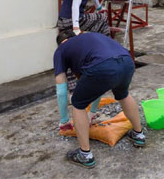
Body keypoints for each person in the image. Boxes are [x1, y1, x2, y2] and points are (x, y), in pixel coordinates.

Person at [54, 30, 145, 169]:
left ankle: (85, 155)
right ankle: (139, 135)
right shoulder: (87, 40)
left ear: (60, 43)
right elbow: (96, 88)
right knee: (123, 94)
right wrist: (91, 114)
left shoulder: (61, 50)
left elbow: (61, 91)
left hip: (103, 66)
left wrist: (64, 120)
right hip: (127, 61)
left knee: (78, 103)